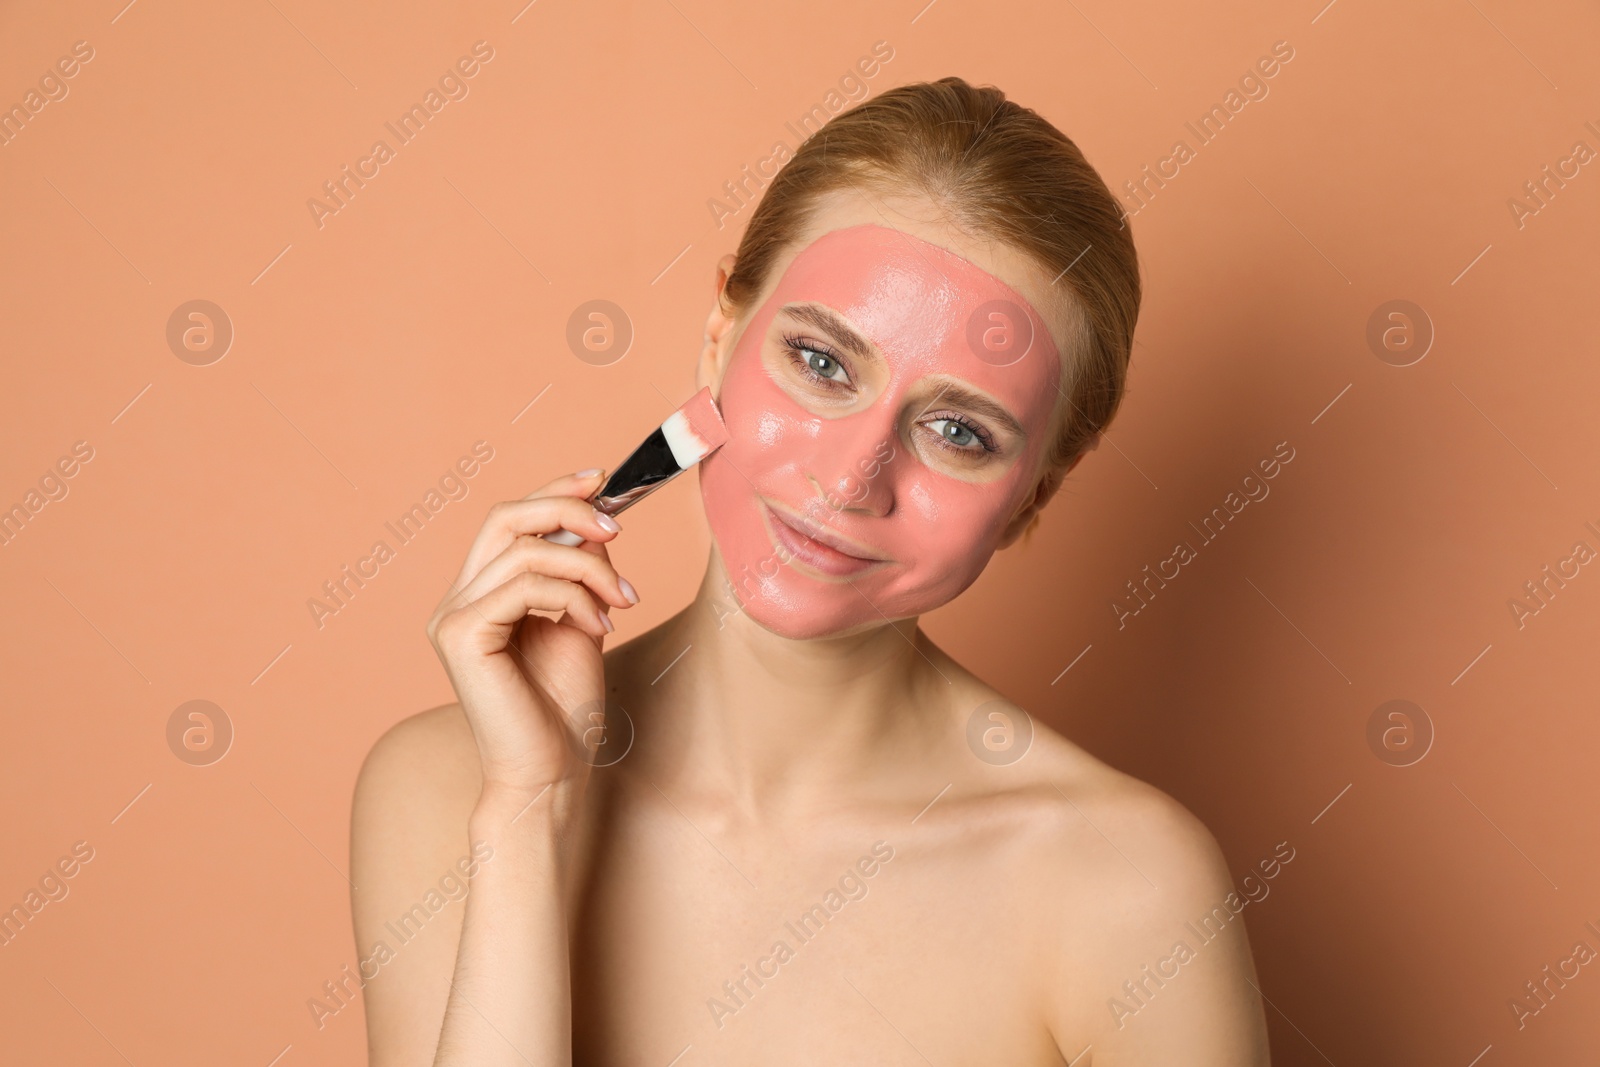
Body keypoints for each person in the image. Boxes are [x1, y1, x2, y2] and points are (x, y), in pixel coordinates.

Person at [351, 76, 1271, 1066]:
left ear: (1035, 493)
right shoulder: (444, 790)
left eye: (957, 429)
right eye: (822, 363)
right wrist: (531, 813)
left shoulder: (1125, 888)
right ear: (719, 342)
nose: (850, 477)